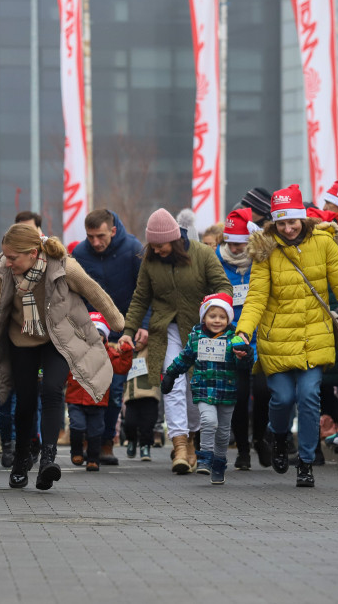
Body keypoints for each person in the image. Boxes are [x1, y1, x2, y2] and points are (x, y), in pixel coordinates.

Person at [236, 184, 338, 488]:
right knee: (283, 398)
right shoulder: (265, 249)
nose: (288, 229)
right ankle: (277, 437)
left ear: (303, 218)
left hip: (315, 336)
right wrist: (242, 333)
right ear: (274, 223)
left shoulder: (325, 244)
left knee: (310, 396)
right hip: (276, 339)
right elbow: (257, 298)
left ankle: (305, 461)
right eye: (282, 223)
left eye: (293, 221)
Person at [0, 224, 124, 491]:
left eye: (13, 257)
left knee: (53, 390)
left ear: (32, 253)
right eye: (5, 256)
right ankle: (21, 459)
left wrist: (120, 325)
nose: (8, 262)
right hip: (21, 339)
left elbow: (94, 292)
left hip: (56, 338)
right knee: (26, 400)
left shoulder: (63, 266)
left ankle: (48, 460)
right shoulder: (4, 272)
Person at [118, 208, 232, 475]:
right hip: (166, 331)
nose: (156, 251)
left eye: (161, 246)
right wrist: (128, 329)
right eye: (153, 246)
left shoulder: (203, 255)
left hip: (200, 333)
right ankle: (179, 445)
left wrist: (215, 315)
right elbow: (140, 297)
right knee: (173, 383)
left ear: (174, 239)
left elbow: (224, 288)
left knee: (195, 388)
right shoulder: (150, 261)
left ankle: (192, 440)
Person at [72, 208, 145, 466]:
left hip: (122, 332)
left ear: (113, 230)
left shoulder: (133, 249)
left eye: (100, 236)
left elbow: (144, 290)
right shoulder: (79, 254)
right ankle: (84, 440)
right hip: (89, 334)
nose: (95, 242)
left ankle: (105, 442)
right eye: (90, 236)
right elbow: (74, 295)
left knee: (113, 392)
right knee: (83, 387)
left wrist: (140, 327)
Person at [162, 293, 252, 485]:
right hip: (204, 389)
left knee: (223, 432)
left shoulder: (234, 339)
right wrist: (170, 374)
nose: (217, 320)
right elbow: (184, 359)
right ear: (204, 317)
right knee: (208, 421)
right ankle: (205, 457)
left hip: (227, 391)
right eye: (212, 316)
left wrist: (245, 355)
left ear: (228, 318)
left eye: (222, 316)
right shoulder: (196, 337)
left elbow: (243, 368)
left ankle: (219, 463)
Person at [216, 208, 270, 470]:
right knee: (238, 395)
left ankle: (260, 438)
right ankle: (243, 450)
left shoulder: (262, 260)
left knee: (263, 392)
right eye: (230, 243)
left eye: (240, 243)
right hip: (232, 338)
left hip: (262, 337)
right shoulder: (216, 260)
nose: (235, 248)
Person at [67, 312, 133, 471]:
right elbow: (63, 370)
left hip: (98, 400)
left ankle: (93, 458)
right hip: (76, 398)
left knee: (95, 431)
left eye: (99, 334)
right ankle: (76, 451)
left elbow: (122, 367)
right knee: (77, 426)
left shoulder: (109, 354)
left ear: (105, 337)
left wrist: (127, 353)